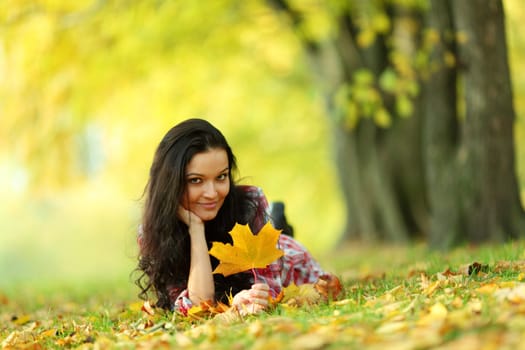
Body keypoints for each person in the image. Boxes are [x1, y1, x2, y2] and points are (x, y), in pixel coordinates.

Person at [135, 118, 340, 316]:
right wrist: (196, 229)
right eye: (196, 180)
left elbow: (271, 292)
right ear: (170, 184)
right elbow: (196, 307)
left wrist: (248, 300)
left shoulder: (249, 203)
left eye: (221, 177)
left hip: (289, 263)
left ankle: (279, 227)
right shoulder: (153, 232)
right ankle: (278, 223)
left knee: (281, 241)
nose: (212, 193)